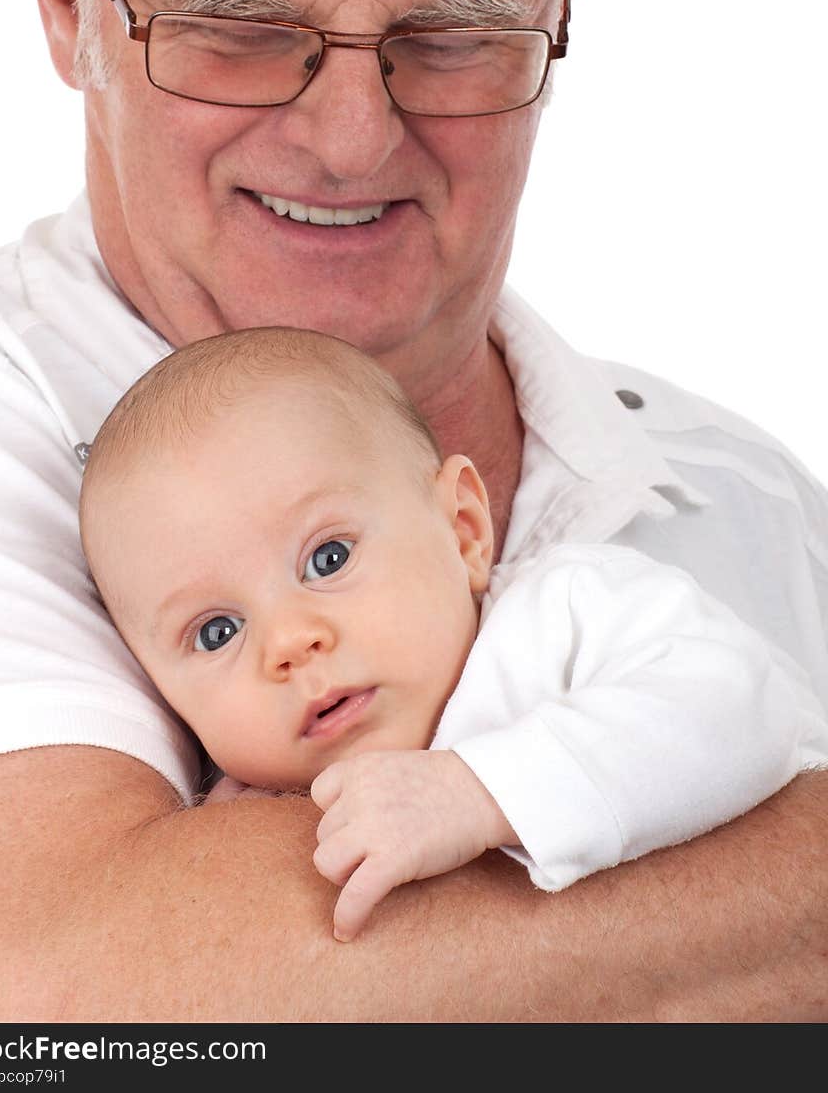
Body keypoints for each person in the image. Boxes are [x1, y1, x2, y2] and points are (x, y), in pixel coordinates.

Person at [0, 0, 826, 1022]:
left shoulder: (750, 498)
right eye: (237, 28)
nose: (354, 138)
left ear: (558, 4)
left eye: (451, 36)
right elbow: (50, 1003)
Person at [78, 325, 827, 944]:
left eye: (328, 558)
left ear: (464, 529)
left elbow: (740, 703)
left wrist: (480, 792)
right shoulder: (251, 809)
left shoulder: (567, 612)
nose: (289, 641)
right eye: (217, 632)